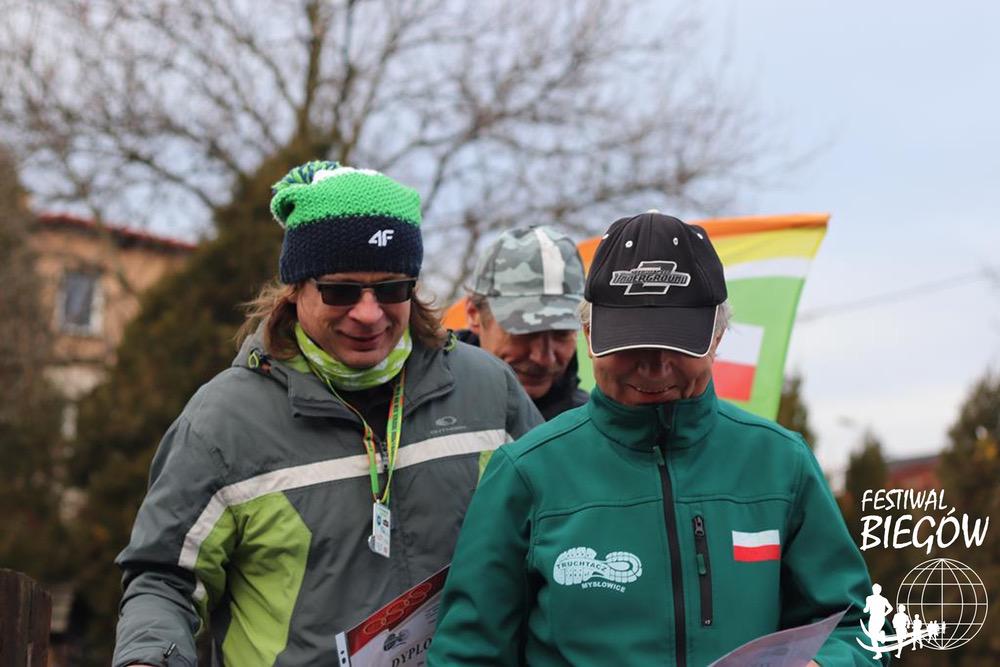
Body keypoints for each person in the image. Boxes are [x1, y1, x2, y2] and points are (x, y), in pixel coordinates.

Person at [112, 161, 542, 667]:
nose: (368, 313)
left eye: (392, 288)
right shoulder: (222, 422)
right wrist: (150, 657)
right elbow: (164, 579)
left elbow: (555, 531)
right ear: (295, 288)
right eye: (340, 290)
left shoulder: (489, 389)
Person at [429, 212, 881, 666]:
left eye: (678, 345)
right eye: (631, 345)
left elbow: (858, 627)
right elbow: (468, 655)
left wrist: (824, 664)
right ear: (589, 333)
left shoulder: (781, 463)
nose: (654, 366)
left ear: (718, 335)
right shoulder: (525, 473)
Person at [461, 226, 588, 420]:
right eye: (525, 331)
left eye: (562, 333)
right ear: (474, 314)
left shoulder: (593, 428)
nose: (544, 358)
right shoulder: (420, 408)